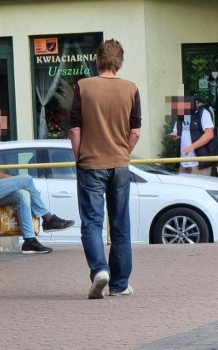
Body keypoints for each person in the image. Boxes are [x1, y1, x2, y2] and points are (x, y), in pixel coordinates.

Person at [68, 39, 141, 299]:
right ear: (119, 62)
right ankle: (120, 284)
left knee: (92, 222)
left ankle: (99, 270)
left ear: (97, 61)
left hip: (90, 163)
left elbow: (75, 128)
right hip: (120, 164)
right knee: (121, 224)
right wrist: (123, 153)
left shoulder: (82, 87)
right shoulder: (131, 89)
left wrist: (80, 157)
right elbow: (135, 132)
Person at [0, 100, 75, 255]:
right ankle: (48, 219)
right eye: (0, 127)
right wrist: (13, 180)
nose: (0, 132)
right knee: (26, 180)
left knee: (23, 195)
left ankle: (29, 241)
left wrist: (13, 183)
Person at [168, 96, 216, 176]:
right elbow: (176, 134)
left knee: (199, 187)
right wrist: (173, 136)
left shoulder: (203, 112)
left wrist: (192, 147)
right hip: (183, 162)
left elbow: (209, 134)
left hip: (199, 162)